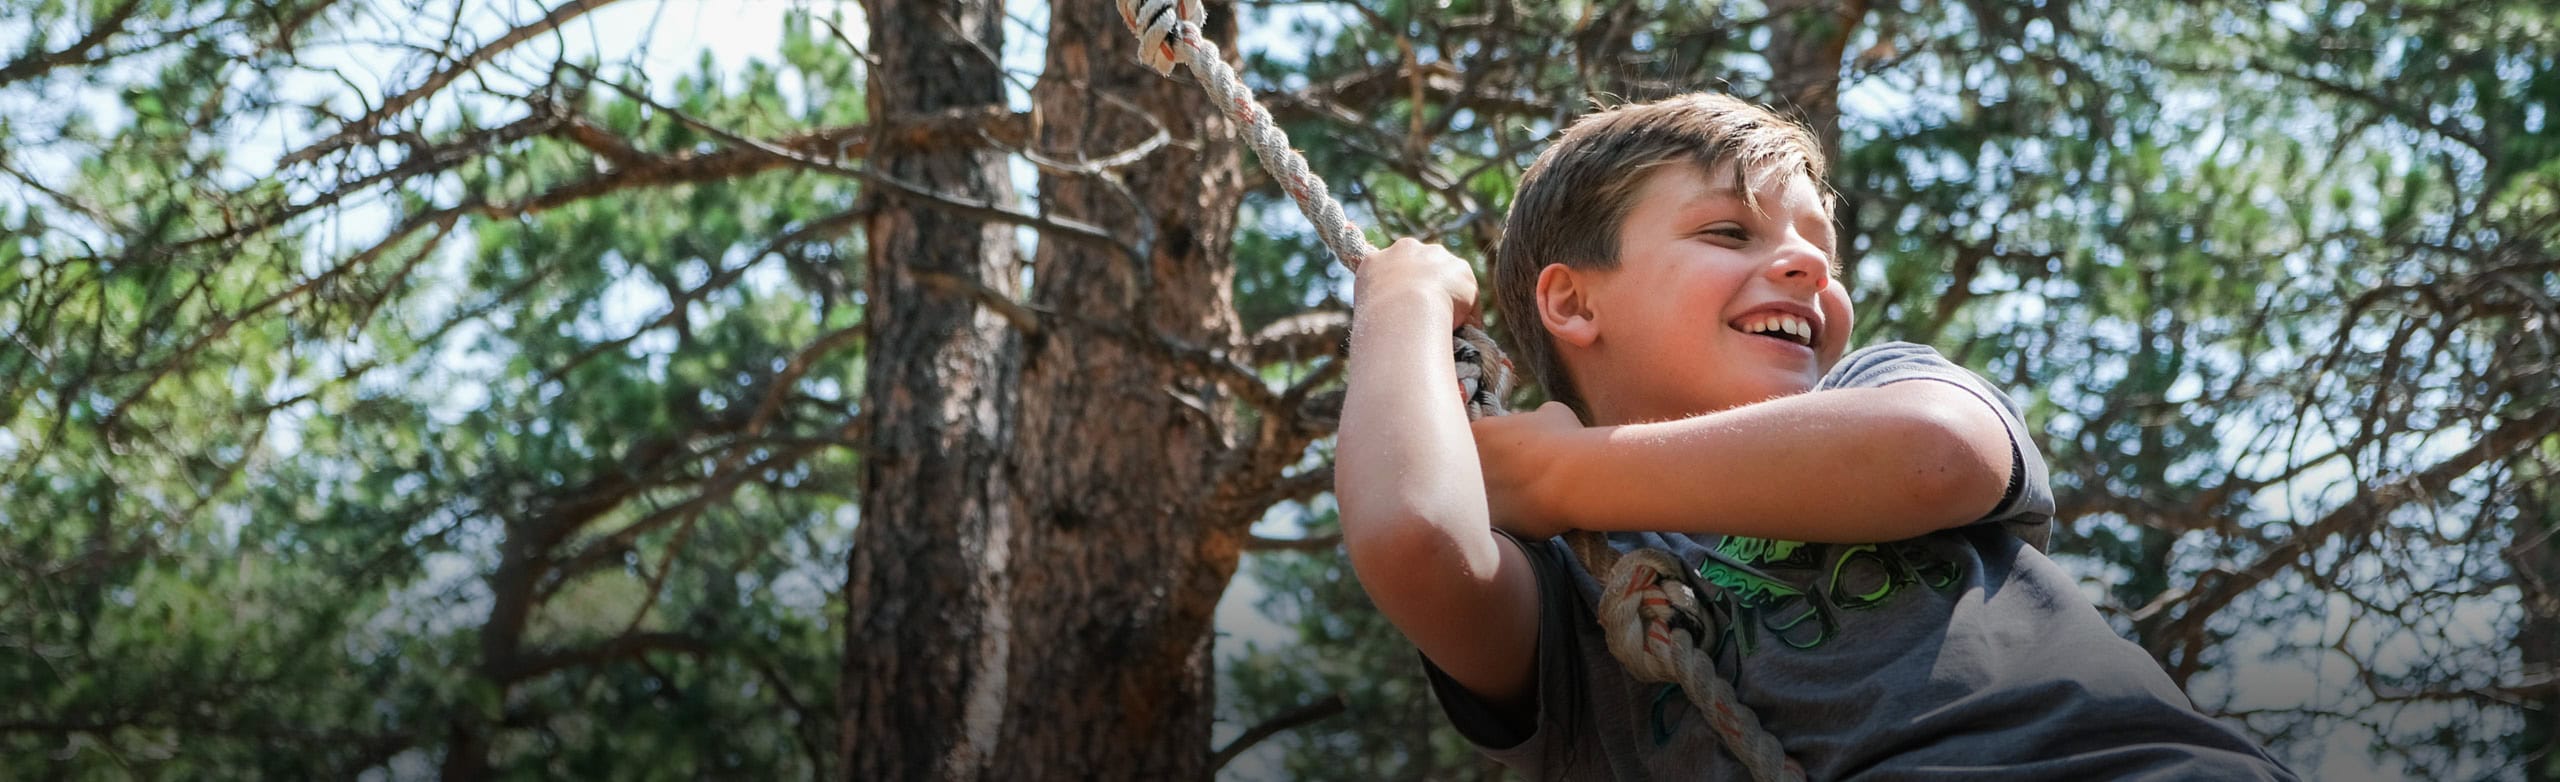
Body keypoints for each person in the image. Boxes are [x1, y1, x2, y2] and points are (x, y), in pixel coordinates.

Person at [1334, 92, 2296, 780]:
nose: (1801, 263)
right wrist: (1402, 297)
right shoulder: (1565, 588)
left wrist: (1556, 471)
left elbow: (1935, 453)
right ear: (1573, 300)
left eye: (1817, 248)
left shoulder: (1880, 387)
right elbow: (1415, 539)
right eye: (1728, 233)